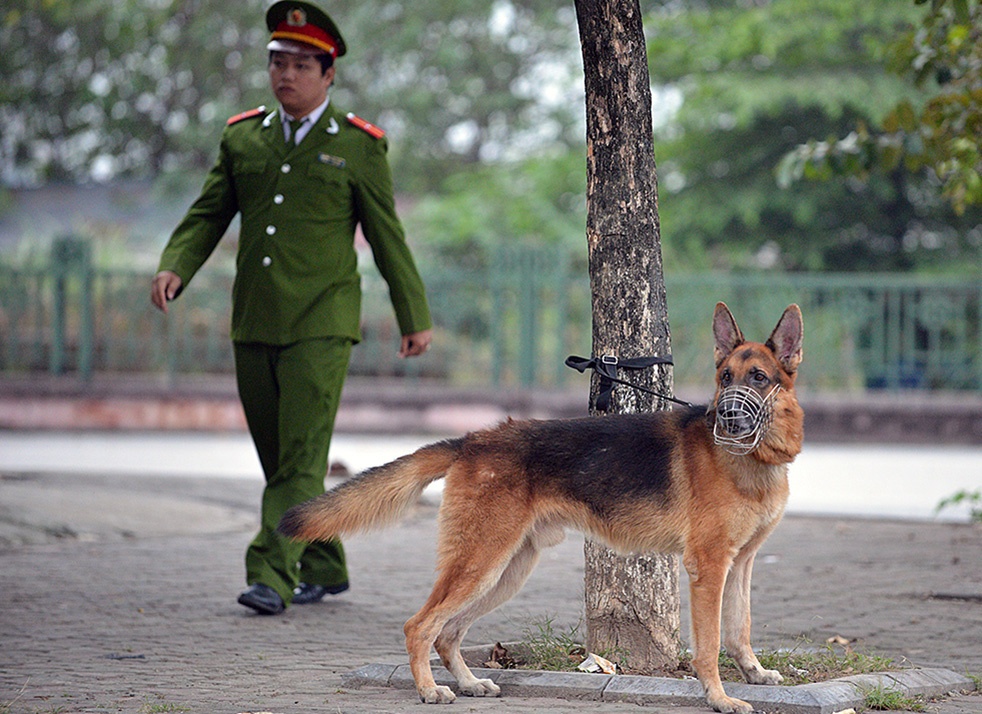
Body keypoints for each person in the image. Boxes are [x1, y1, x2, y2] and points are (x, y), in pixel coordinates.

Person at [150, 0, 433, 615]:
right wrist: (177, 263)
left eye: (303, 64)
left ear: (329, 74)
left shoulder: (358, 147)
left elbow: (388, 235)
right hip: (254, 318)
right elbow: (208, 214)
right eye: (279, 61)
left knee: (301, 456)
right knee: (282, 458)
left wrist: (413, 316)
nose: (287, 74)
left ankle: (270, 575)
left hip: (322, 325)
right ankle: (325, 562)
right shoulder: (242, 136)